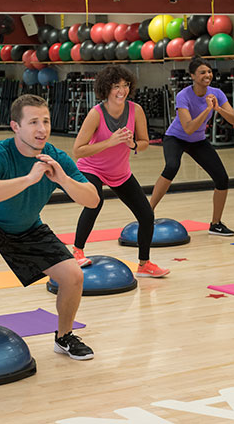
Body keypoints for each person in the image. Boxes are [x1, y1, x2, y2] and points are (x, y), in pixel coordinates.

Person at [0, 94, 100, 359]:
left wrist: (62, 177)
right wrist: (29, 179)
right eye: (33, 122)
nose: (42, 129)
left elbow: (92, 199)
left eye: (46, 121)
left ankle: (64, 337)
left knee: (73, 275)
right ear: (16, 126)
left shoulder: (55, 157)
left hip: (26, 226)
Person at [72, 66, 169, 278]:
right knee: (95, 201)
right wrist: (110, 142)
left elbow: (144, 143)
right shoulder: (96, 114)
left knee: (146, 214)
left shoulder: (136, 110)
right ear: (106, 88)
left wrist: (132, 144)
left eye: (125, 85)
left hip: (120, 172)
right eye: (116, 86)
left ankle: (144, 264)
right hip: (92, 168)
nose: (121, 90)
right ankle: (77, 251)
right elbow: (78, 150)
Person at [149, 56, 234, 236]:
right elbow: (188, 128)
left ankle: (216, 224)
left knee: (222, 178)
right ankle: (147, 212)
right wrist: (207, 109)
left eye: (209, 72)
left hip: (198, 141)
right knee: (172, 166)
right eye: (202, 72)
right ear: (192, 76)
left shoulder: (217, 93)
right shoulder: (183, 95)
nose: (207, 75)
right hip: (176, 137)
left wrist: (218, 109)